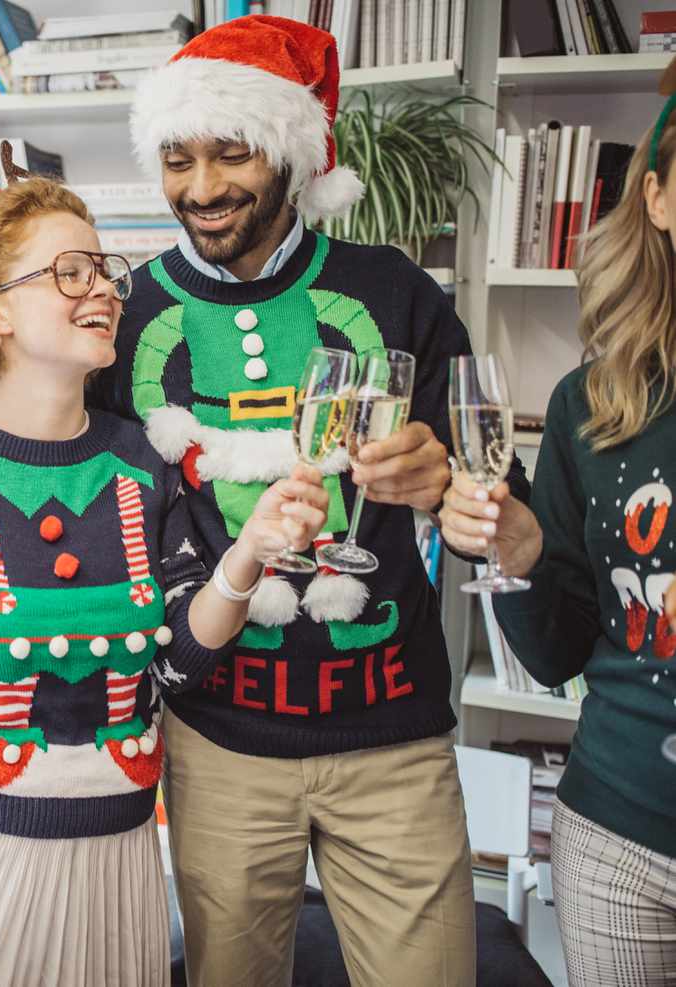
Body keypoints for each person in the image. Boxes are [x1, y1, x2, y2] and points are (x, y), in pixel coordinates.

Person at [0, 16, 524, 986]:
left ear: (290, 151)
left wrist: (446, 481)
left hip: (393, 734)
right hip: (215, 742)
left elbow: (492, 488)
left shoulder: (393, 289)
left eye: (232, 152)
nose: (202, 187)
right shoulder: (131, 310)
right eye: (176, 157)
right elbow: (32, 425)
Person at [0, 125, 332, 987]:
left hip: (118, 863)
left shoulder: (143, 463)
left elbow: (180, 659)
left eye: (102, 269)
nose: (101, 289)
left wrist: (248, 553)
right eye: (70, 272)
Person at [439, 70, 676, 985]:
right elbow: (559, 654)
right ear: (655, 197)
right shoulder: (595, 402)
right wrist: (526, 553)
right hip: (617, 840)